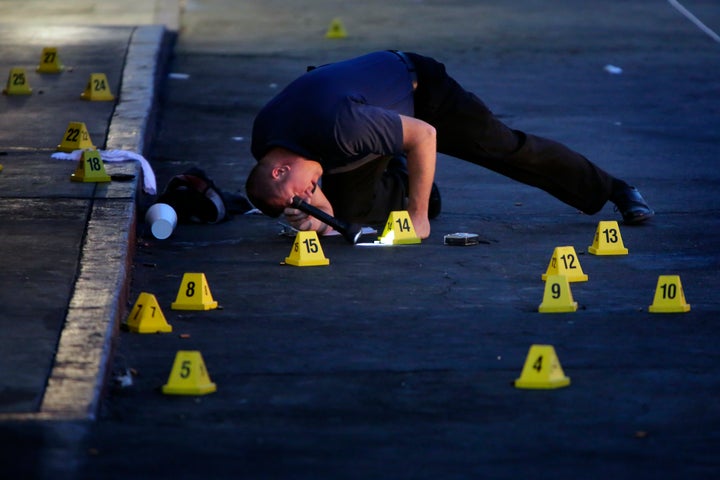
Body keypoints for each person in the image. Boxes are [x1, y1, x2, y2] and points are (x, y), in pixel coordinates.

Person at [245, 50, 653, 239]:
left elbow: (424, 135)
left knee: (504, 147)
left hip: (420, 92)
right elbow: (317, 202)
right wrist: (315, 215)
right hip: (364, 120)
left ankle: (614, 187)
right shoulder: (268, 142)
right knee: (347, 215)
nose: (311, 193)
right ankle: (407, 179)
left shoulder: (339, 127)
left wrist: (416, 217)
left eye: (306, 191)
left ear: (281, 169)